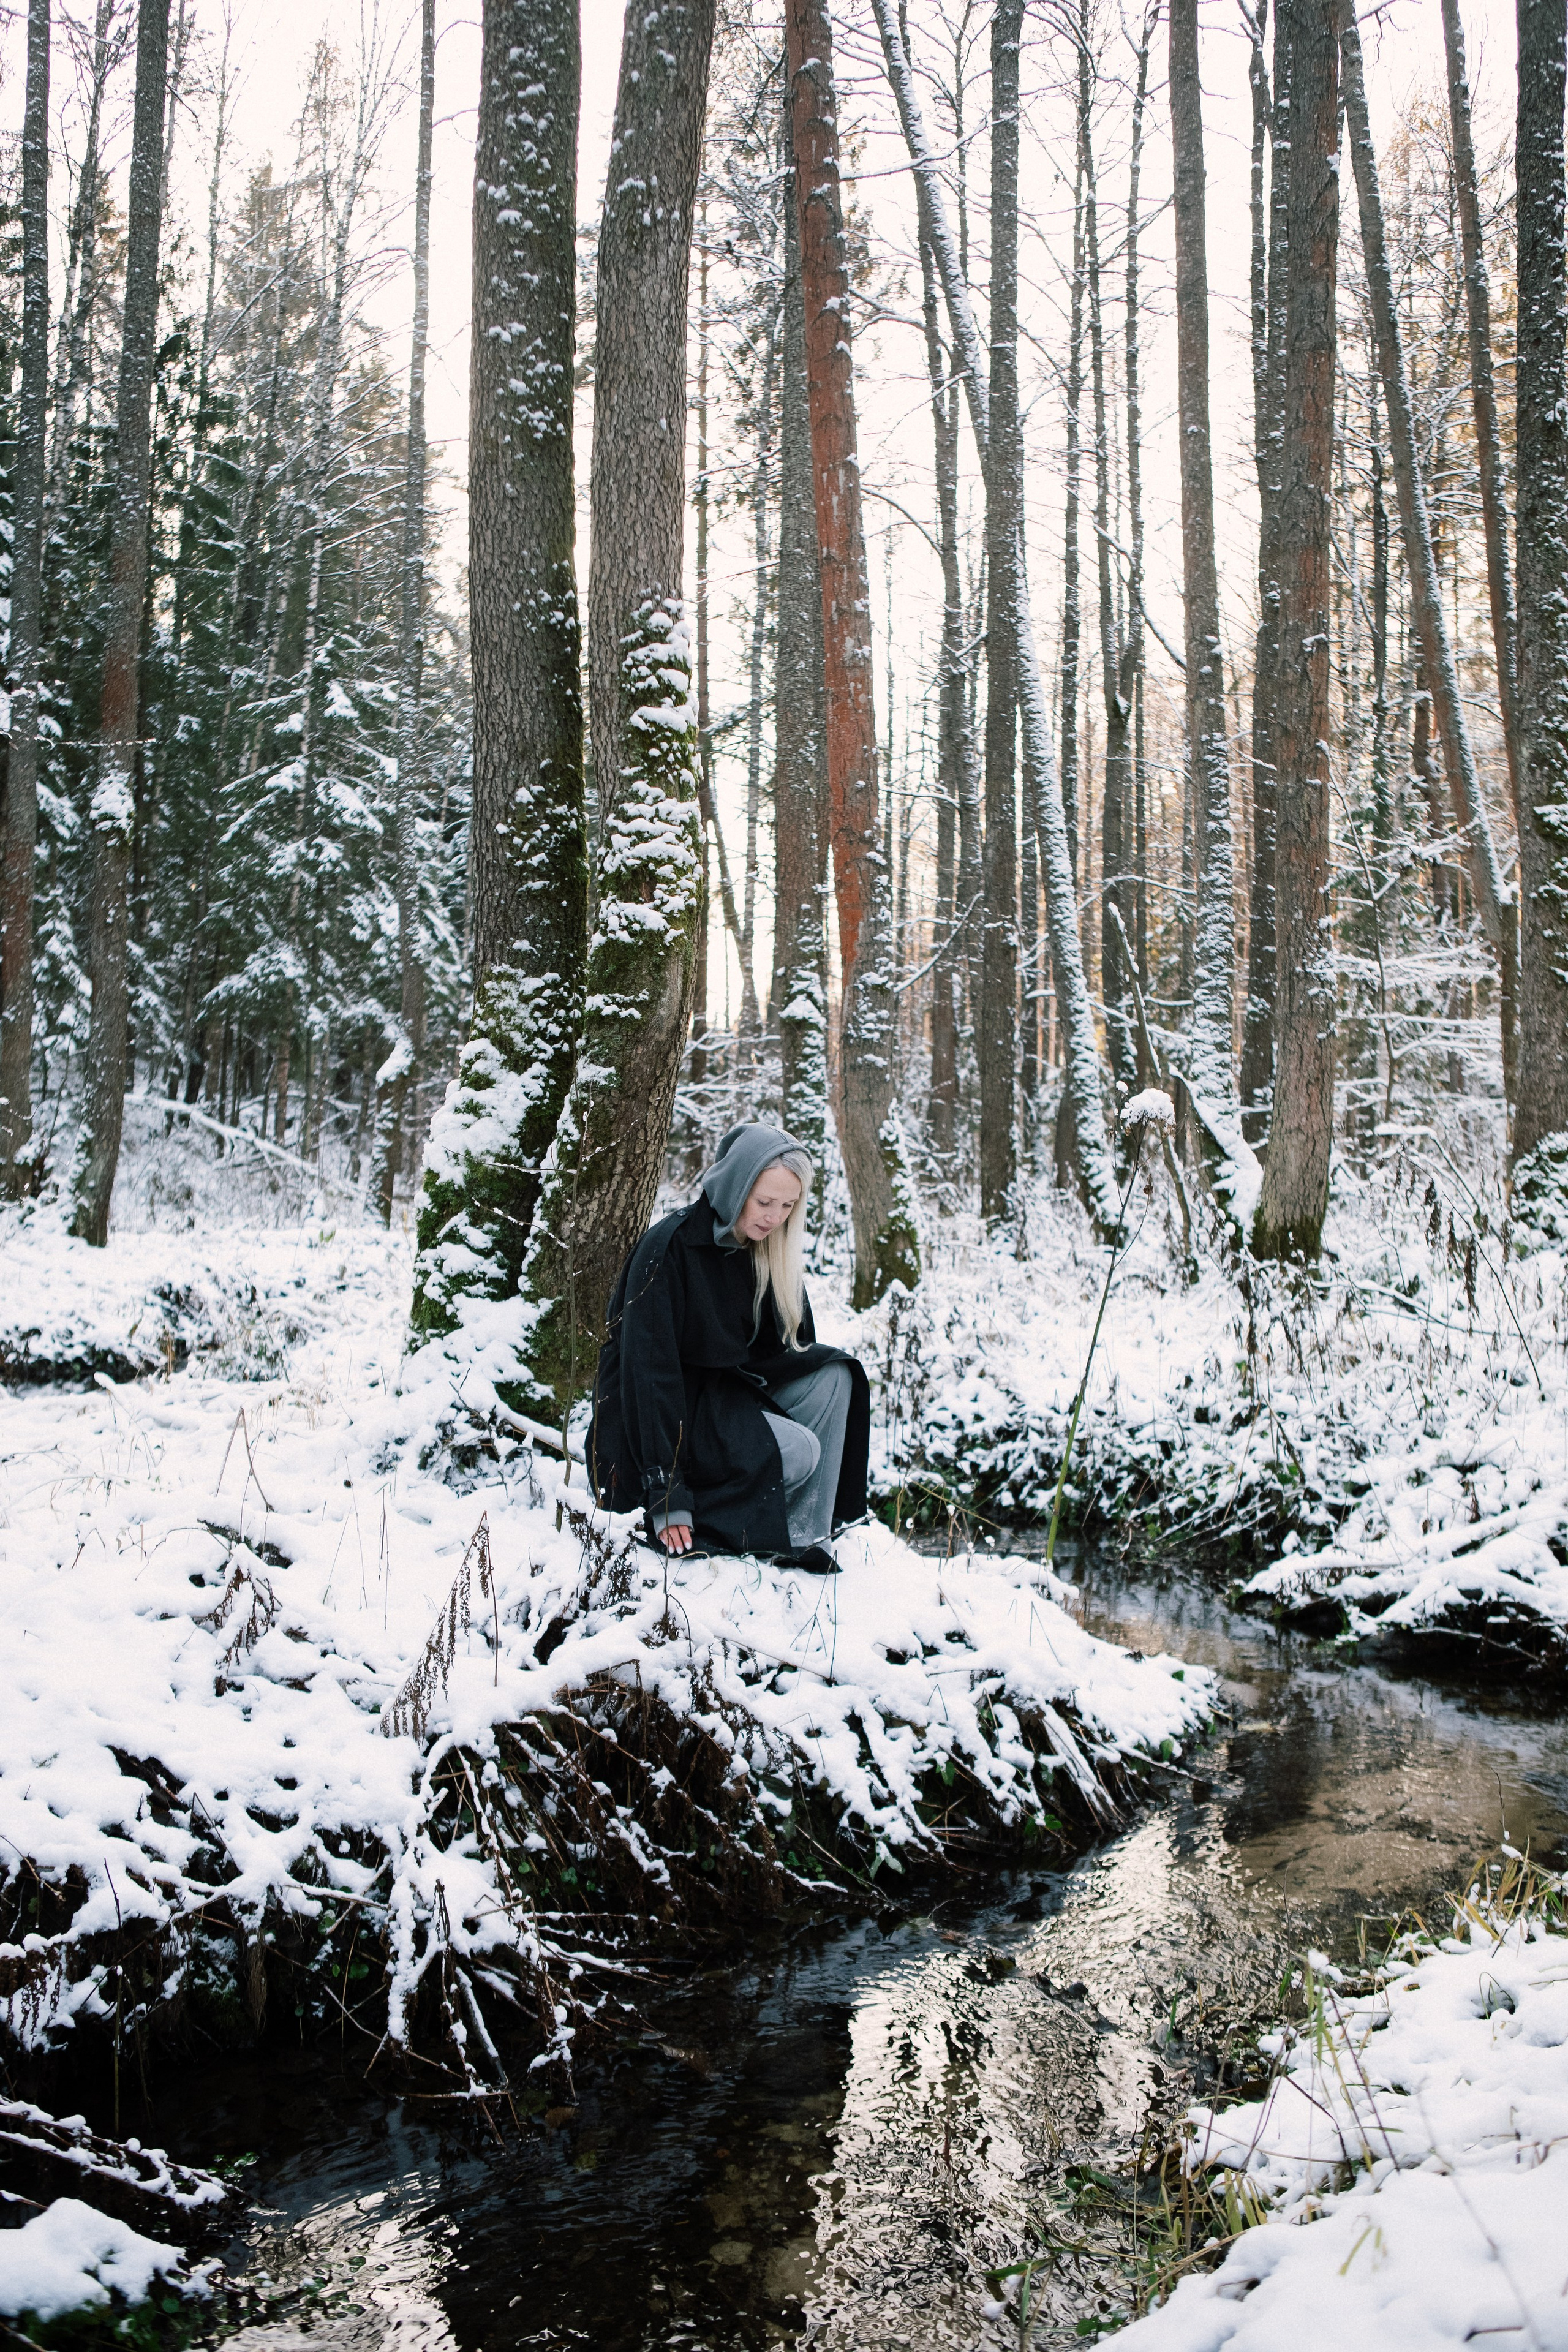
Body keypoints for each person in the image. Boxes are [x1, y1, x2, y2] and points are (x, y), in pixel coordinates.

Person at [587, 1123, 870, 1572]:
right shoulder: (670, 1248)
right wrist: (666, 1492)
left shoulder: (767, 1252)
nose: (774, 1217)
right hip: (667, 1419)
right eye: (764, 1202)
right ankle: (745, 1527)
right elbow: (647, 1375)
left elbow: (786, 1356)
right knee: (798, 1451)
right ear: (736, 1186)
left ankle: (806, 1534)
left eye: (787, 1206)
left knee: (835, 1374)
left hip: (727, 1399)